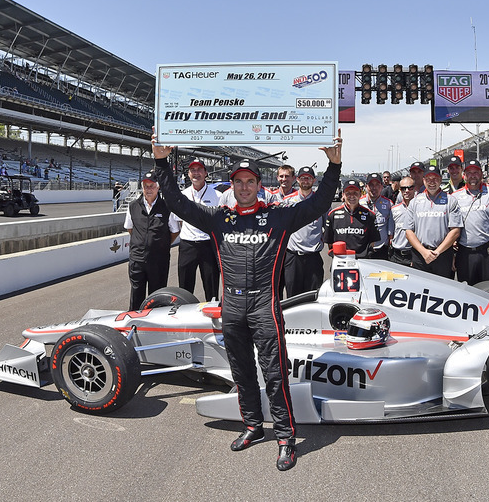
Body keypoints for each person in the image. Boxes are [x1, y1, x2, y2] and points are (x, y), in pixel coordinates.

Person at [152, 129, 342, 472]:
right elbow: (176, 203)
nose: (243, 187)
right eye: (238, 182)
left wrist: (334, 166)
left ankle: (285, 437)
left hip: (265, 306)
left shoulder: (279, 217)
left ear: (259, 184)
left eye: (249, 181)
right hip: (233, 307)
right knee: (241, 373)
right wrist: (161, 162)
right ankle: (253, 427)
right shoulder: (218, 219)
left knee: (274, 373)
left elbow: (319, 203)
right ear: (231, 186)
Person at [124, 170, 180, 311]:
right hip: (137, 260)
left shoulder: (167, 207)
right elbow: (130, 229)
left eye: (152, 185)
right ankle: (134, 324)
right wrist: (142, 243)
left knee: (156, 297)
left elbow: (174, 231)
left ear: (158, 186)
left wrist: (160, 244)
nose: (148, 189)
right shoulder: (133, 206)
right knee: (136, 296)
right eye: (146, 186)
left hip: (158, 261)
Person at [176, 159, 221, 302]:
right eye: (193, 170)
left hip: (208, 245)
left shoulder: (217, 196)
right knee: (184, 286)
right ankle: (183, 314)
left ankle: (213, 317)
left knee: (211, 285)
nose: (196, 173)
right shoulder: (182, 195)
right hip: (187, 245)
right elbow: (177, 221)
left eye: (199, 170)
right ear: (188, 174)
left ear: (206, 173)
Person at [405, 166, 462, 278]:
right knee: (420, 290)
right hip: (420, 254)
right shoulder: (415, 202)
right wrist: (423, 252)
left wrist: (437, 252)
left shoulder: (451, 200)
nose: (432, 182)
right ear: (423, 180)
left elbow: (455, 231)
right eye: (428, 179)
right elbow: (408, 232)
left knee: (443, 290)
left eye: (435, 179)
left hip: (442, 255)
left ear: (440, 180)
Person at [283, 166, 325, 297]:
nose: (305, 181)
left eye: (308, 178)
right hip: (293, 258)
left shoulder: (321, 202)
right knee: (292, 297)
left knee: (313, 297)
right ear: (297, 180)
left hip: (313, 257)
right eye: (302, 178)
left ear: (314, 180)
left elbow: (328, 225)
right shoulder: (287, 202)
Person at [324, 180, 379, 258]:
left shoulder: (370, 215)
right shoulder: (333, 215)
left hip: (362, 261)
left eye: (355, 193)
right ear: (343, 195)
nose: (352, 196)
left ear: (360, 194)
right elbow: (329, 242)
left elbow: (372, 242)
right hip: (340, 261)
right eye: (348, 193)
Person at [361, 173, 394, 259]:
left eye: (377, 185)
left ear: (381, 187)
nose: (374, 188)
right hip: (363, 249)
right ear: (366, 186)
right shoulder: (359, 203)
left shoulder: (388, 204)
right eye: (371, 185)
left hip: (382, 250)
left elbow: (391, 229)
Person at [389, 176, 416, 267]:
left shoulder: (420, 208)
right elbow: (391, 234)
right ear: (400, 190)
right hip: (396, 255)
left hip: (414, 255)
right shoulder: (394, 209)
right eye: (403, 188)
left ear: (414, 189)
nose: (407, 191)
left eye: (410, 188)